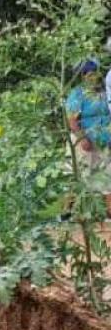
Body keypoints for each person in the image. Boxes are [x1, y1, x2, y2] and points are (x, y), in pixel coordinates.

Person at [66, 58, 111, 215]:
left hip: (104, 141)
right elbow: (71, 120)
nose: (93, 77)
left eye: (95, 73)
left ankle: (108, 215)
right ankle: (66, 213)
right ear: (82, 76)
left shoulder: (104, 92)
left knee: (107, 179)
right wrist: (82, 138)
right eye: (88, 74)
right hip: (84, 142)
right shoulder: (77, 94)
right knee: (78, 178)